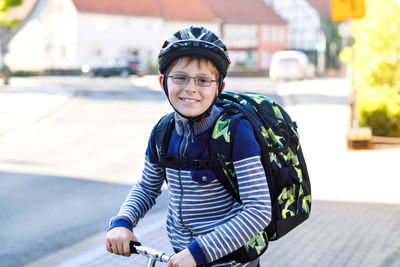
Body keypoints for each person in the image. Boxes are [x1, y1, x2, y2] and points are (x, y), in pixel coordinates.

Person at [105, 26, 272, 267]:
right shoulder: (163, 132)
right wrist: (122, 222)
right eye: (180, 77)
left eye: (203, 80)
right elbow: (147, 187)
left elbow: (257, 210)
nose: (190, 88)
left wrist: (198, 252)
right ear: (163, 82)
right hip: (183, 257)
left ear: (218, 88)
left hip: (230, 261)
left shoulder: (236, 133)